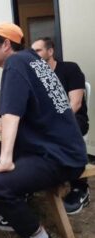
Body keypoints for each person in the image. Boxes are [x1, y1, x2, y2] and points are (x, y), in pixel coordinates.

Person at [0, 22, 87, 238]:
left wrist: (6, 159)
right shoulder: (35, 62)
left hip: (59, 157)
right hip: (65, 149)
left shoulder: (16, 63)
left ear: (6, 44)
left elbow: (10, 114)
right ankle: (17, 208)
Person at [31, 37, 90, 214]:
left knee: (56, 134)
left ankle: (80, 188)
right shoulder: (36, 76)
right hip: (48, 122)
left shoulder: (70, 69)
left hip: (74, 120)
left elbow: (76, 104)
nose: (35, 56)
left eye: (39, 51)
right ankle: (33, 183)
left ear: (50, 51)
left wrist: (52, 123)